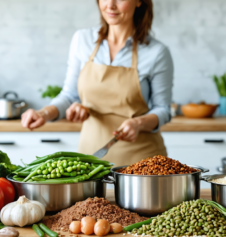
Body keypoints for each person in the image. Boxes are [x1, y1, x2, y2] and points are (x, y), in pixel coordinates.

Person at [21, 0, 173, 166]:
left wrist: (138, 123)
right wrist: (43, 113)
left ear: (138, 2)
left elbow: (163, 109)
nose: (110, 5)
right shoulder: (82, 40)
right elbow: (70, 95)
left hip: (141, 161)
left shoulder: (157, 52)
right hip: (91, 157)